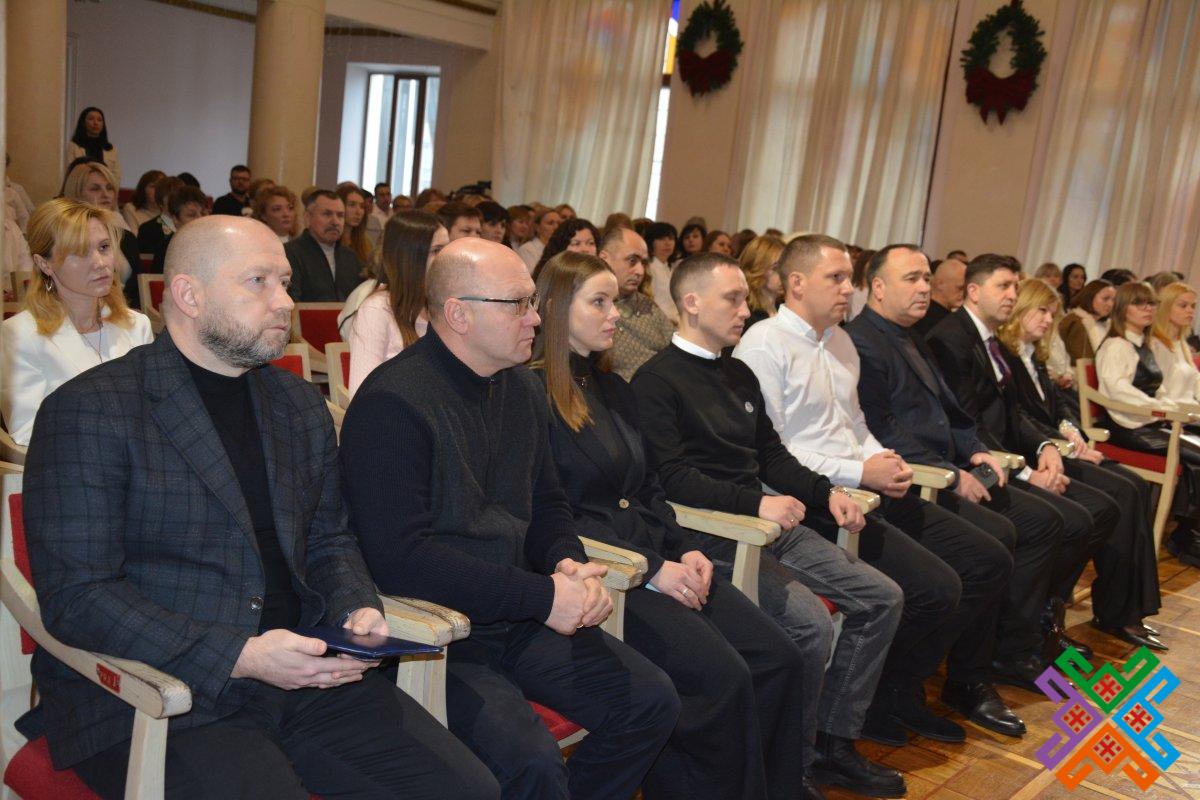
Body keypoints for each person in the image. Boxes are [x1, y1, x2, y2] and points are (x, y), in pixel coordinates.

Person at [20, 214, 498, 800]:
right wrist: (241, 655)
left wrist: (356, 605)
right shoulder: (92, 409)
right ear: (189, 295)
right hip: (164, 690)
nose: (285, 302)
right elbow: (78, 597)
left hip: (304, 670)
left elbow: (329, 537)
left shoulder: (296, 402)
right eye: (259, 282)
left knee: (469, 789)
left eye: (286, 283)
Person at [340, 237, 679, 799]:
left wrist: (567, 562)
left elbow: (547, 503)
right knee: (531, 762)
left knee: (650, 700)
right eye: (518, 303)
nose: (536, 318)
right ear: (459, 314)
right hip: (441, 634)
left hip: (520, 614)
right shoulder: (393, 403)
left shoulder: (521, 386)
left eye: (533, 302)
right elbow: (400, 560)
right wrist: (542, 597)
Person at [532, 250, 811, 800]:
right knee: (721, 677)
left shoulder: (615, 388)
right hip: (610, 571)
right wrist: (655, 568)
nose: (616, 314)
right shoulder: (532, 394)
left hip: (657, 553)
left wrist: (685, 549)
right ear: (558, 308)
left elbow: (649, 488)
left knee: (778, 657)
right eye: (599, 302)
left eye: (615, 301)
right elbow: (552, 513)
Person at [631, 253, 908, 798]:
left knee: (883, 597)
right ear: (692, 303)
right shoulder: (655, 381)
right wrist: (755, 503)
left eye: (745, 297)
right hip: (713, 533)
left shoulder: (737, 372)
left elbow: (772, 456)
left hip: (766, 522)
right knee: (808, 625)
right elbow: (672, 478)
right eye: (732, 299)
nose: (746, 309)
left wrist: (828, 493)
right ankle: (789, 773)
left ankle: (831, 744)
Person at [734, 236, 1022, 739]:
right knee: (936, 587)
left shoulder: (840, 342)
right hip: (814, 501)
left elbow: (857, 425)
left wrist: (883, 459)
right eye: (836, 278)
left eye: (850, 278)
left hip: (865, 489)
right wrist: (859, 472)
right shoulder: (764, 345)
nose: (849, 289)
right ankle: (871, 706)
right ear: (796, 283)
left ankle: (897, 691)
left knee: (986, 558)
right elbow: (773, 452)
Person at [845, 246, 1068, 690]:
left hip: (946, 468)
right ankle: (964, 674)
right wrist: (950, 470)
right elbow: (882, 428)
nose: (924, 288)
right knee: (1001, 541)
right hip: (913, 479)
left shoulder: (911, 336)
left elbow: (954, 414)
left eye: (927, 278)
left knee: (1043, 523)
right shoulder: (862, 340)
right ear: (878, 287)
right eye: (912, 279)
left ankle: (993, 658)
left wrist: (976, 450)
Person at [926, 255, 1118, 659]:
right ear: (973, 291)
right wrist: (1027, 474)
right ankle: (1015, 641)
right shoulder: (951, 338)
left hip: (1001, 457)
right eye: (1003, 286)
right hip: (973, 465)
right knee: (1059, 520)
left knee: (1096, 511)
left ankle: (1038, 622)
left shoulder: (990, 340)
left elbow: (1014, 415)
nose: (1013, 295)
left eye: (1015, 286)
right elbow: (967, 424)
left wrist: (1045, 447)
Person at [998, 278, 1163, 649]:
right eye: (1041, 311)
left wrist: (1072, 431)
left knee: (1135, 486)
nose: (1048, 320)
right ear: (1020, 310)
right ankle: (1103, 612)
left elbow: (1058, 406)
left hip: (1057, 446)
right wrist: (1063, 444)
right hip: (1034, 454)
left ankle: (1127, 609)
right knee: (1118, 494)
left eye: (1052, 313)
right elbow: (1018, 419)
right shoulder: (1006, 356)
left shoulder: (1033, 354)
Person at [1, 199, 153, 446]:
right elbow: (29, 432)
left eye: (104, 247)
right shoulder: (19, 335)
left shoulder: (137, 326)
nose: (101, 263)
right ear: (44, 263)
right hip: (71, 463)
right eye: (80, 253)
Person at [1096, 281, 1200, 566]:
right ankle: (1185, 535)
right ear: (1123, 309)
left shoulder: (1143, 345)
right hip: (1126, 426)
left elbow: (1159, 389)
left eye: (1151, 303)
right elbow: (1116, 390)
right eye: (1139, 303)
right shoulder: (1116, 345)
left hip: (1150, 422)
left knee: (1195, 457)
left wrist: (1166, 407)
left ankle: (1186, 533)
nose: (1148, 309)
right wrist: (1160, 409)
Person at [346, 211, 448, 397]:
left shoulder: (444, 306)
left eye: (447, 250)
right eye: (436, 251)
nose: (446, 259)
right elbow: (361, 394)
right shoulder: (377, 310)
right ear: (409, 257)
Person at [600, 227, 673, 380]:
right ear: (604, 259)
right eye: (632, 261)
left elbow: (675, 351)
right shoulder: (590, 308)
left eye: (643, 263)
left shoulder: (647, 305)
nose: (640, 271)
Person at [59, 161, 138, 287]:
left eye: (109, 188)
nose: (105, 195)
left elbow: (136, 291)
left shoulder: (126, 237)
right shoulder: (63, 236)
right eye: (95, 189)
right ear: (76, 194)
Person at [284, 190, 364, 302]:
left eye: (340, 215)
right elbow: (290, 301)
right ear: (307, 218)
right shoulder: (290, 253)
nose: (335, 222)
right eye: (327, 214)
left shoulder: (351, 257)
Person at [1149, 282, 1200, 404]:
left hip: (1187, 409)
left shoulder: (1182, 344)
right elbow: (1156, 389)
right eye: (1183, 306)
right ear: (1166, 307)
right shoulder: (1154, 344)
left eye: (1193, 306)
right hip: (1166, 410)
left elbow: (1196, 383)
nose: (1190, 310)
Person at [150, 186, 209, 273]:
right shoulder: (166, 249)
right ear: (175, 219)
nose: (200, 219)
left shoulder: (216, 244)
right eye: (192, 215)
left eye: (203, 213)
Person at [1058, 279, 1116, 364]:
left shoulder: (1105, 324)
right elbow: (1081, 359)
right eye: (1105, 298)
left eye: (1113, 300)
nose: (1110, 304)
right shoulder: (1076, 321)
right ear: (1089, 297)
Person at [911, 257, 965, 338]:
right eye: (960, 288)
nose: (964, 293)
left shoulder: (920, 310)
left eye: (965, 289)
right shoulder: (927, 317)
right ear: (940, 284)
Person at [66, 107, 120, 186]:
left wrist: (110, 188)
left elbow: (116, 175)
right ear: (83, 123)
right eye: (91, 119)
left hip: (105, 187)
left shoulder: (110, 149)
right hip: (81, 187)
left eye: (99, 120)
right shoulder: (74, 146)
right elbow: (70, 172)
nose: (95, 123)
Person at [739, 234, 784, 329]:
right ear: (757, 268)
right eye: (775, 268)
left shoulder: (785, 309)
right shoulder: (744, 313)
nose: (784, 274)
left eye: (786, 267)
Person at [531, 217, 599, 278]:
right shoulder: (551, 277)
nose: (585, 249)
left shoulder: (600, 274)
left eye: (591, 243)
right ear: (561, 248)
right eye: (576, 244)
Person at [136, 175, 185, 256]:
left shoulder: (189, 225)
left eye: (181, 197)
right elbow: (147, 259)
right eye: (171, 197)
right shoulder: (147, 229)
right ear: (160, 202)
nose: (177, 201)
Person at [337, 184, 375, 268]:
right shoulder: (330, 239)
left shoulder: (365, 241)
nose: (358, 212)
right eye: (352, 205)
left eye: (362, 206)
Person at [517, 207, 561, 271]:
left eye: (559, 224)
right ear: (537, 227)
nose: (556, 227)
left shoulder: (559, 249)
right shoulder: (527, 249)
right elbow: (531, 276)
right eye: (550, 223)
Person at [366, 182, 392, 246]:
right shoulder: (370, 213)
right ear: (375, 197)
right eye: (382, 195)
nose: (386, 198)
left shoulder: (394, 213)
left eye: (388, 194)